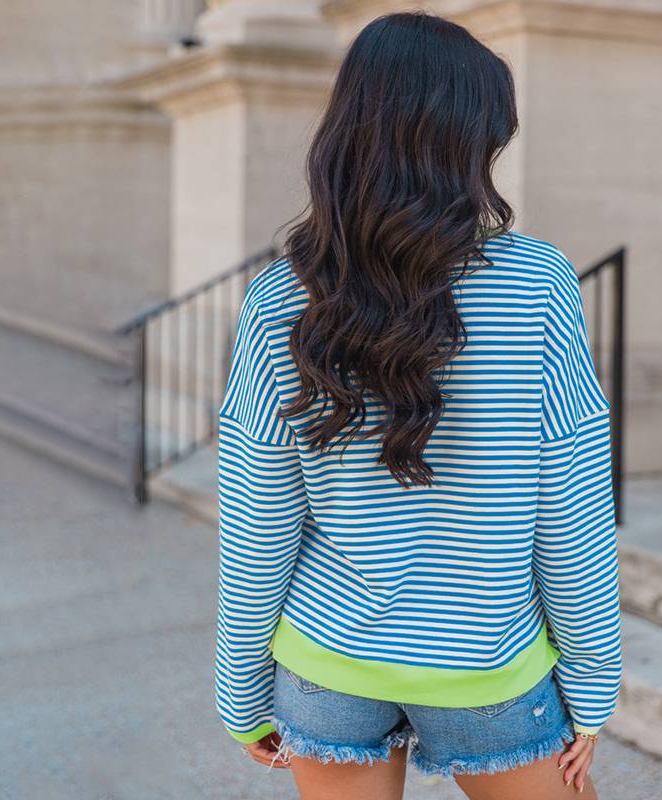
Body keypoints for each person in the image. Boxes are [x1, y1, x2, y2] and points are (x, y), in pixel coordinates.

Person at [214, 11, 621, 800]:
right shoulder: (536, 285)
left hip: (326, 663)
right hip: (487, 667)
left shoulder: (277, 299)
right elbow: (571, 506)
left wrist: (239, 689)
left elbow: (259, 518)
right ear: (465, 144)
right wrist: (593, 679)